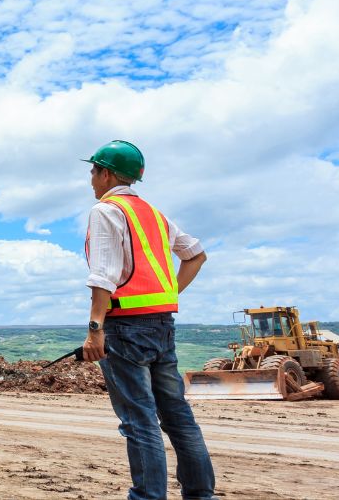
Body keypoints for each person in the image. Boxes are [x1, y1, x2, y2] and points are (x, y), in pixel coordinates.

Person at [80, 140, 215, 500]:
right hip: (162, 325)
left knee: (139, 421)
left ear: (106, 173)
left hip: (124, 329)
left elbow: (103, 276)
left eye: (93, 171)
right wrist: (167, 294)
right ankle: (201, 495)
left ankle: (148, 496)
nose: (91, 179)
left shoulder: (106, 210)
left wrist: (95, 330)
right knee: (178, 417)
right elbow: (195, 255)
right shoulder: (154, 214)